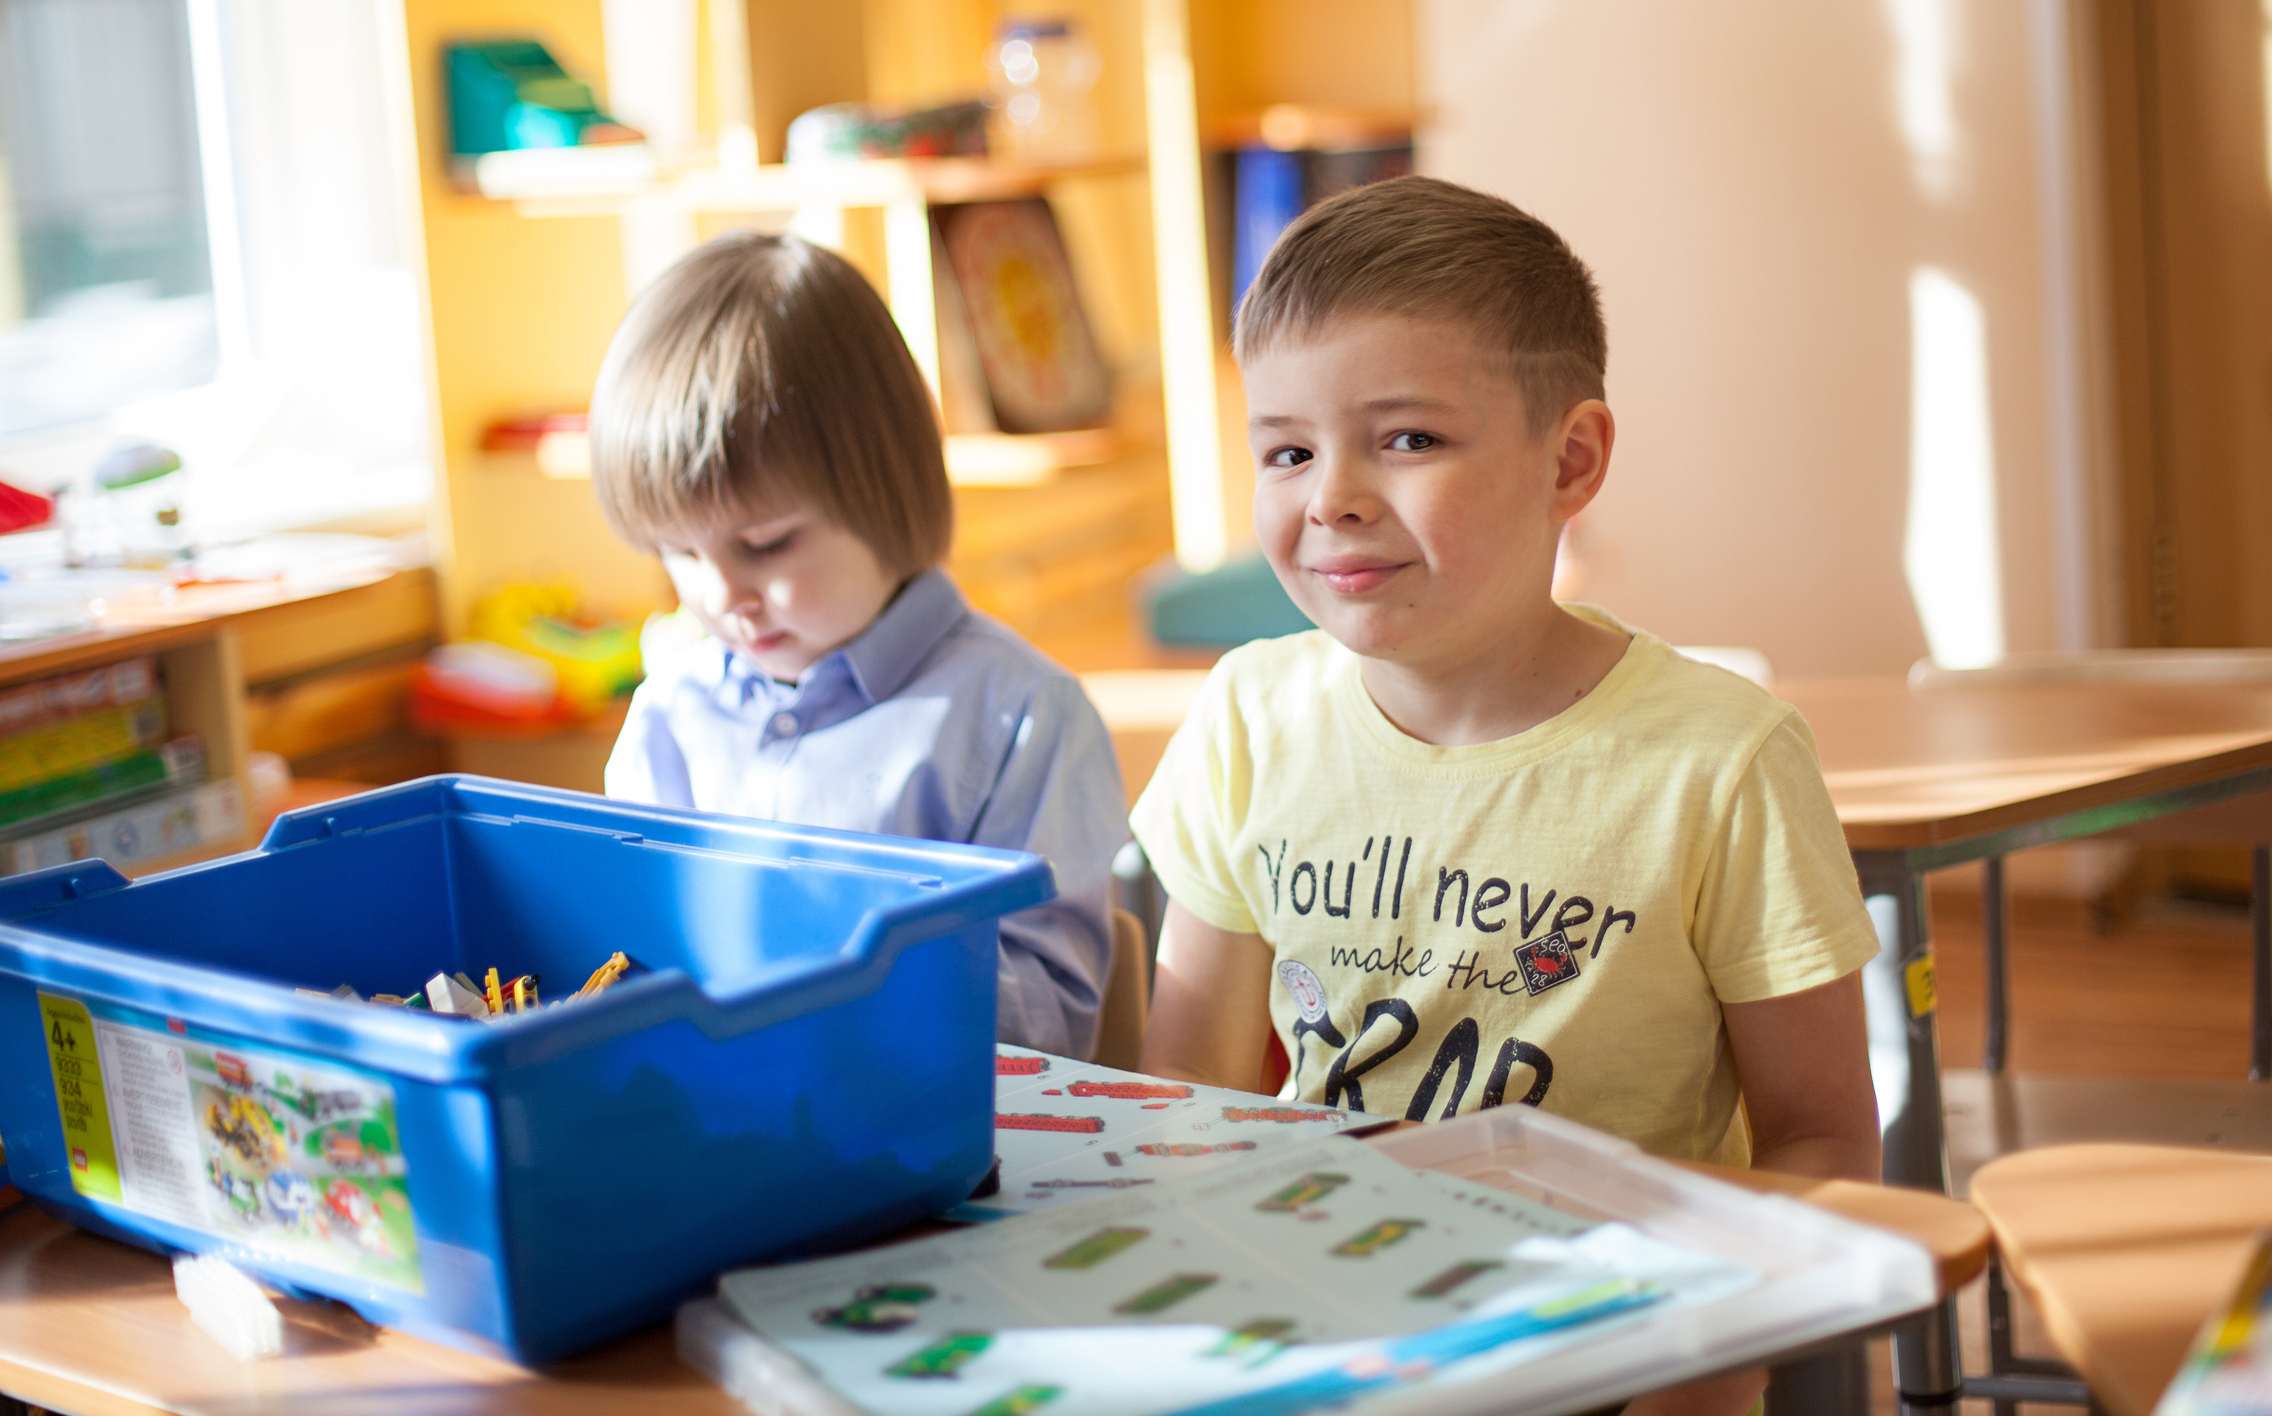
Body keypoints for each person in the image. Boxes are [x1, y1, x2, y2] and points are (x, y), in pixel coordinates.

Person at [1134, 177, 1881, 1412]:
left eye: (1408, 439)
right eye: (1287, 450)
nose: (1331, 498)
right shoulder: (1246, 720)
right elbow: (1190, 1114)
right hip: (1314, 1330)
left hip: (1615, 1348)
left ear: (1570, 461)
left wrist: (1695, 1373)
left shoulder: (1723, 762)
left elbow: (1822, 1135)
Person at [588, 230, 1120, 1058]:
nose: (721, 594)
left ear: (880, 494)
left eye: (765, 544)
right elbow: (616, 958)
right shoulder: (672, 713)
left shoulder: (1021, 718)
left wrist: (823, 957)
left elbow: (1051, 1023)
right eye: (681, 552)